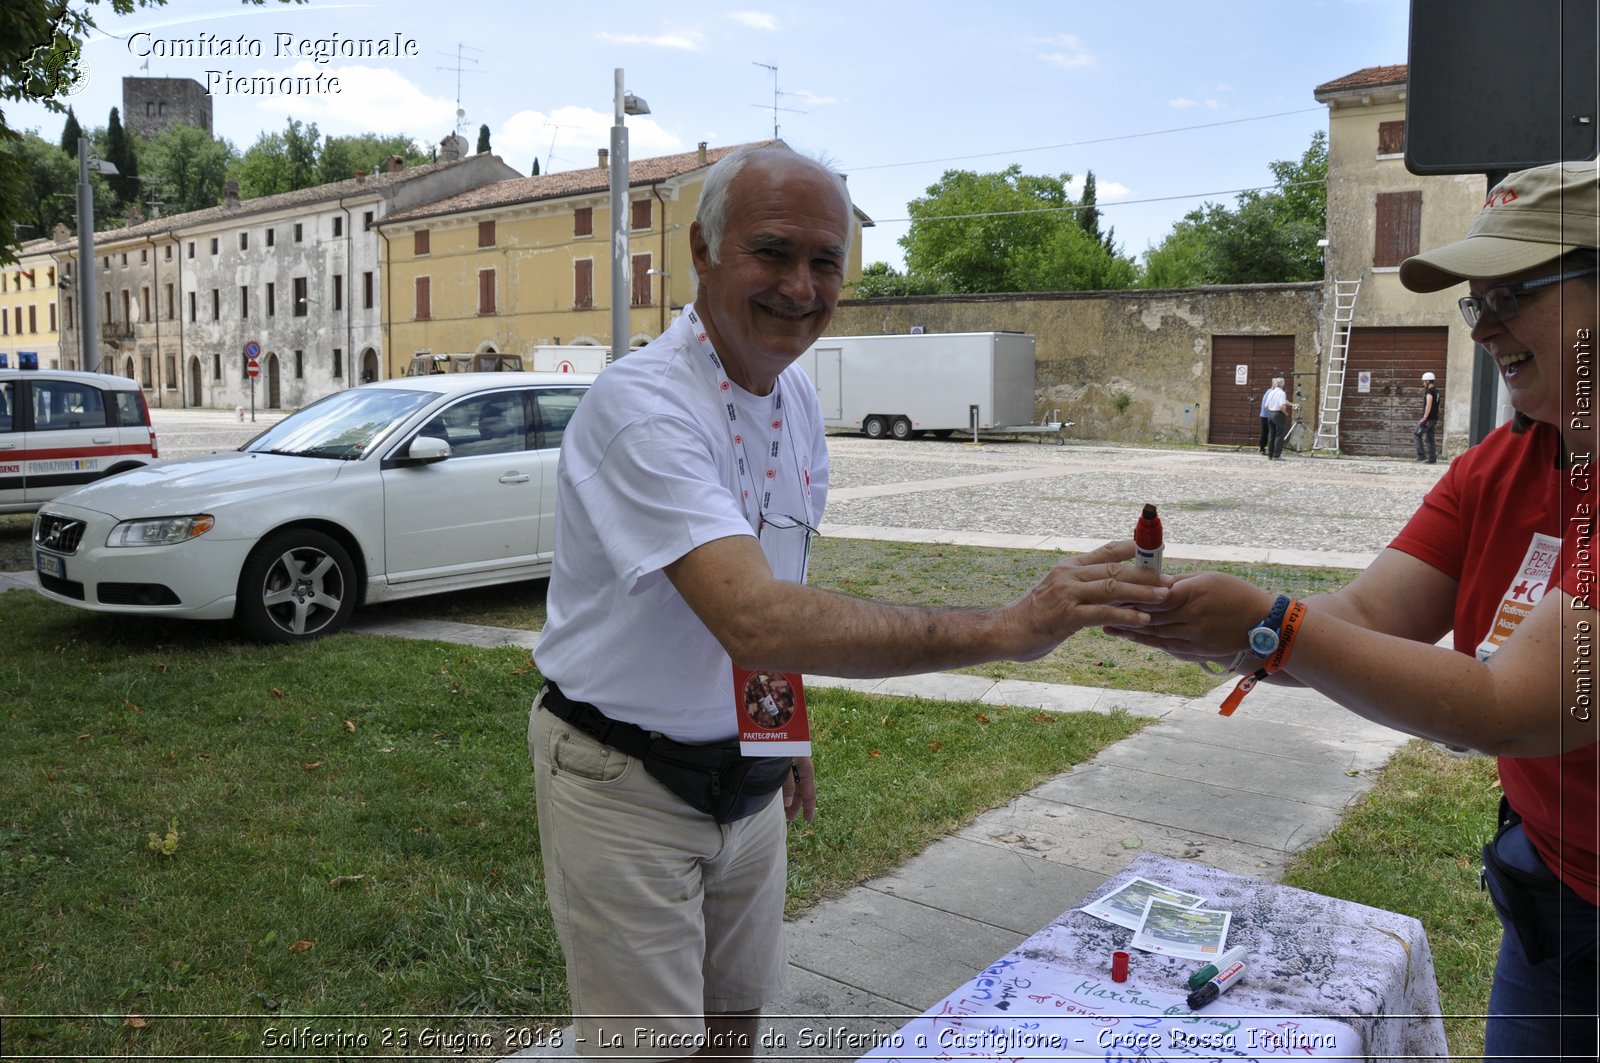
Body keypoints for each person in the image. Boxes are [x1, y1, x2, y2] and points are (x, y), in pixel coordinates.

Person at [528, 144, 1168, 1062]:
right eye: (774, 252)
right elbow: (749, 615)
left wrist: (783, 733)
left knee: (734, 1027)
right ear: (704, 253)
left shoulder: (792, 399)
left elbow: (775, 586)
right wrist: (1004, 628)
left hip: (744, 778)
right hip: (622, 783)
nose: (801, 285)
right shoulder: (645, 406)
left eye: (825, 262)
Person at [1113, 160, 1598, 1061]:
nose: (1486, 325)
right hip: (1559, 898)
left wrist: (1272, 627)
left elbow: (1515, 708)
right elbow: (1371, 613)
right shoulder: (1503, 465)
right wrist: (1212, 631)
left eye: (1514, 293)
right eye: (1476, 301)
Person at [1263, 376, 1293, 459]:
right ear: (1283, 384)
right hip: (1278, 414)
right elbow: (1281, 405)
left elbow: (1266, 406)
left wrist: (1270, 412)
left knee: (1271, 434)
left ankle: (1270, 454)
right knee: (1279, 435)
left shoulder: (1271, 392)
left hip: (1270, 414)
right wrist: (1285, 413)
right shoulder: (1282, 393)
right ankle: (1277, 455)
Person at [1414, 370, 1440, 463]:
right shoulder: (1436, 391)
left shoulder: (1429, 392)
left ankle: (1421, 456)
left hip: (1428, 419)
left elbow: (1429, 404)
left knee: (1417, 434)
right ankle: (1432, 459)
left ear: (1428, 381)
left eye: (1424, 381)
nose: (1423, 383)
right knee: (1430, 438)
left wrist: (1424, 417)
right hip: (1434, 418)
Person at [1257, 385, 1272, 456]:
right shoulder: (1272, 392)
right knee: (1270, 432)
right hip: (1268, 415)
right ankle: (1270, 449)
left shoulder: (1268, 391)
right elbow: (1267, 406)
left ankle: (1262, 449)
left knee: (1264, 432)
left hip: (1263, 415)